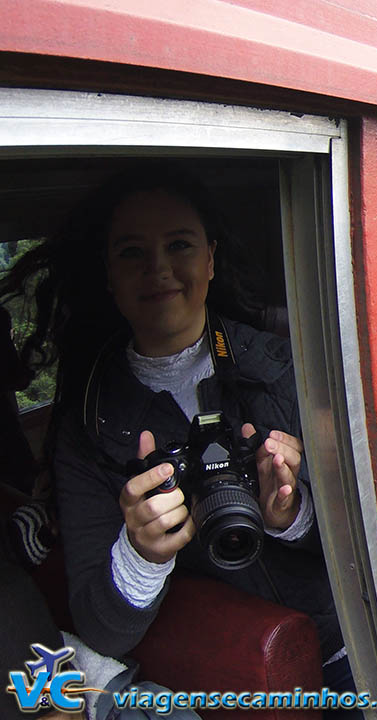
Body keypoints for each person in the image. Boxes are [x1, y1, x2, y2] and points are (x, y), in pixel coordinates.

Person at [0, 165, 350, 700]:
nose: (158, 269)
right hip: (226, 683)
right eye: (132, 252)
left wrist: (292, 515)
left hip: (347, 650)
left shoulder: (292, 370)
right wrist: (142, 552)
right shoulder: (90, 426)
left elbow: (373, 553)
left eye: (179, 245)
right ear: (109, 275)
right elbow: (102, 630)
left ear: (209, 260)